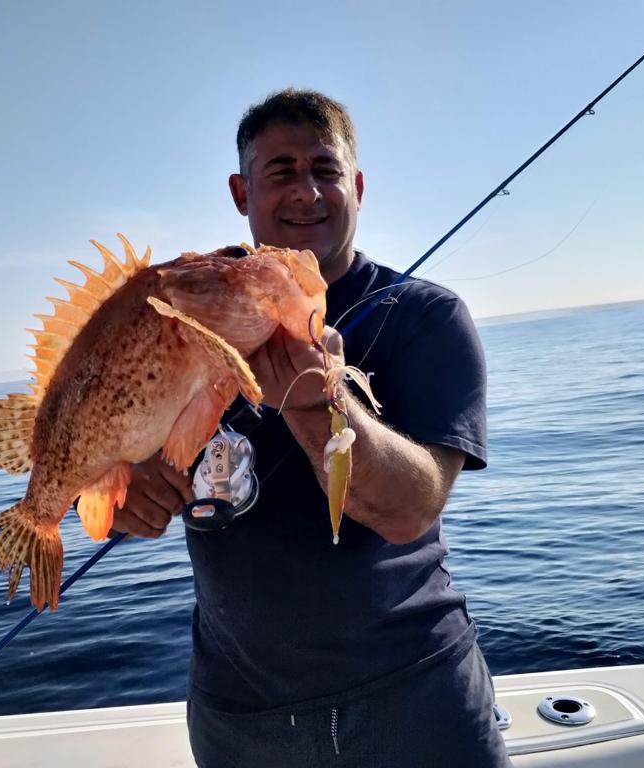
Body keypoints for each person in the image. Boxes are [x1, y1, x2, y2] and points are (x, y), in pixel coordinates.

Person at [112, 89, 510, 767]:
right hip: (237, 715)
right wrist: (124, 491)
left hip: (412, 691)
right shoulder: (182, 306)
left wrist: (315, 401)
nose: (307, 192)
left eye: (326, 170)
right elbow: (97, 453)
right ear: (242, 192)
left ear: (356, 186)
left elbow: (408, 510)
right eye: (281, 171)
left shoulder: (425, 317)